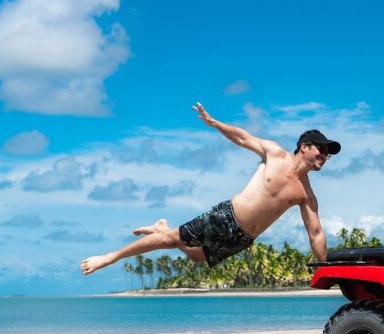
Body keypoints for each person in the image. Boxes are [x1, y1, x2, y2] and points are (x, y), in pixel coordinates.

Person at [80, 102, 340, 275]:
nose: (325, 155)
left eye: (328, 153)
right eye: (322, 149)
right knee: (171, 241)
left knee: (197, 257)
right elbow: (242, 137)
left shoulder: (306, 194)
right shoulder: (275, 154)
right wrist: (214, 123)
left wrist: (326, 266)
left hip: (243, 239)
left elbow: (315, 232)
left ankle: (160, 227)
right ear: (304, 146)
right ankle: (110, 257)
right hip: (225, 217)